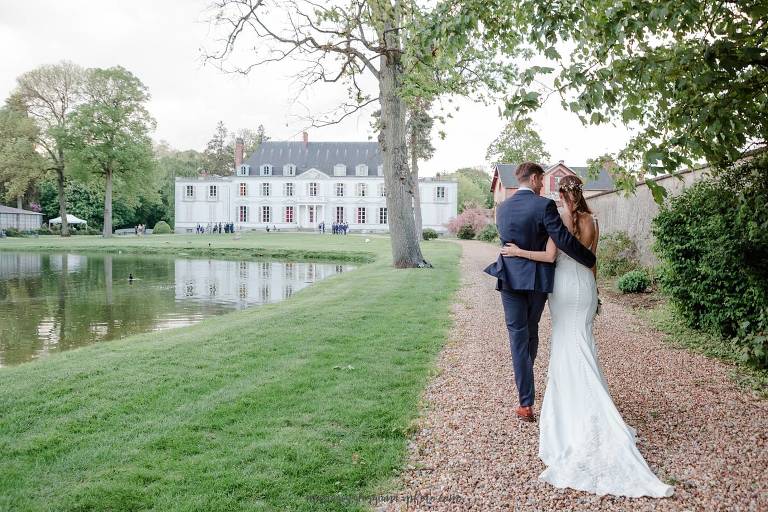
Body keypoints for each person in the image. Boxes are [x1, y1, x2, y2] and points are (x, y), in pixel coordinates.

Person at [500, 173, 673, 498]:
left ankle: (575, 407)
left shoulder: (558, 218)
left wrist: (518, 252)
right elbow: (593, 263)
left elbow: (550, 257)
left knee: (567, 344)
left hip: (564, 288)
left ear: (561, 195)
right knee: (584, 344)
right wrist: (595, 294)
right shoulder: (594, 221)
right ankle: (592, 397)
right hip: (586, 288)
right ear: (580, 193)